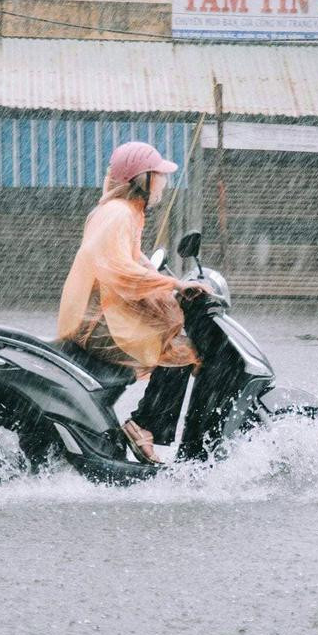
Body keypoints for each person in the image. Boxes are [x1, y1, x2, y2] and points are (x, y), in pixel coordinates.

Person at [57, 141, 208, 464]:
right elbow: (117, 269)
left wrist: (168, 286)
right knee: (179, 353)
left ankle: (145, 425)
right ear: (143, 179)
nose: (164, 184)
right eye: (159, 176)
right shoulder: (118, 214)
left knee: (176, 342)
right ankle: (144, 425)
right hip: (98, 324)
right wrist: (172, 284)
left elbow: (137, 261)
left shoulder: (125, 213)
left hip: (100, 316)